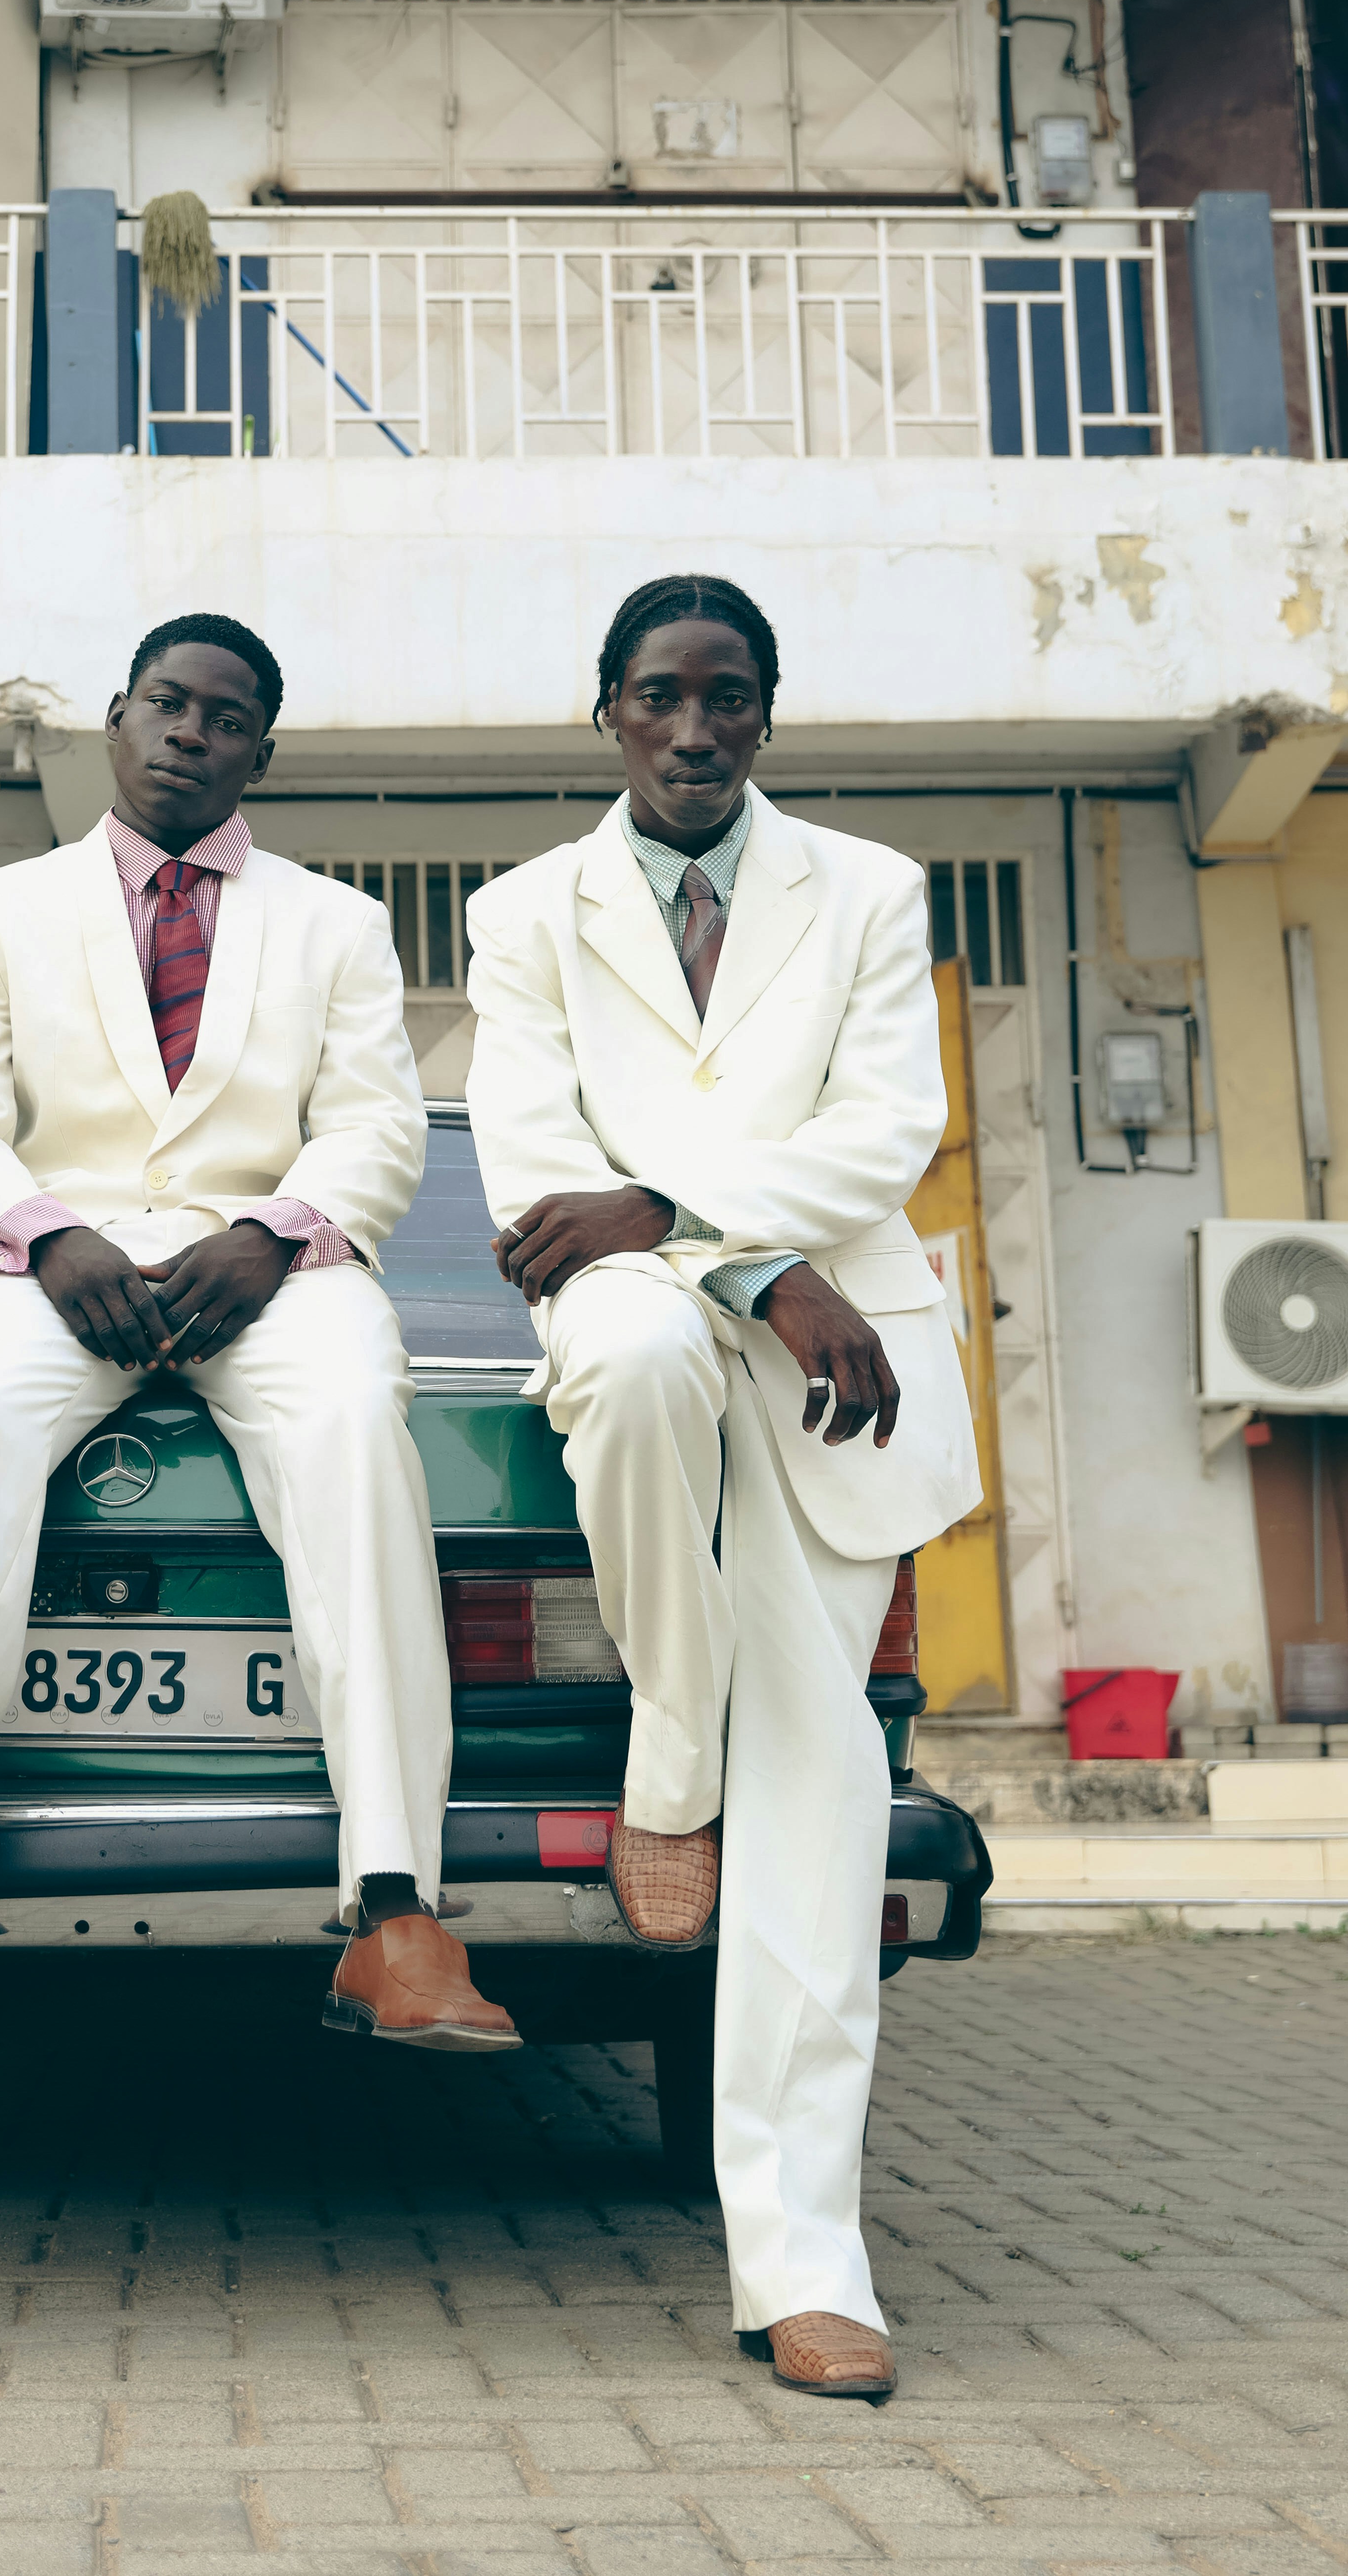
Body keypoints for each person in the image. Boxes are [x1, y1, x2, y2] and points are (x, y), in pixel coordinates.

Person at [0, 613, 515, 2062]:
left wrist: (276, 1233)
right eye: (166, 704)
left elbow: (376, 1127)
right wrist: (47, 1236)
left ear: (259, 754)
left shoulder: (337, 923)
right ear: (115, 717)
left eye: (225, 719)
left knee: (359, 1433)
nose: (189, 734)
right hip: (58, 1270)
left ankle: (398, 1915)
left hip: (270, 1271)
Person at [462, 573, 981, 2404]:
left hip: (844, 1368)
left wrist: (704, 1227)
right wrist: (739, 1264)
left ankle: (808, 2260)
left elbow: (885, 1133)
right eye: (663, 698)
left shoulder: (870, 890)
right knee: (628, 1344)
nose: (698, 732)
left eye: (732, 699)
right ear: (607, 710)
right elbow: (537, 1164)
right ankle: (667, 1746)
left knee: (824, 1802)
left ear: (767, 713)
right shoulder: (524, 912)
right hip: (650, 1327)